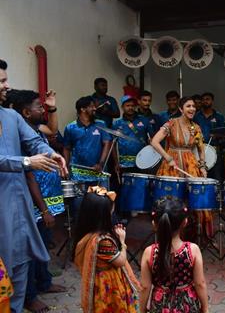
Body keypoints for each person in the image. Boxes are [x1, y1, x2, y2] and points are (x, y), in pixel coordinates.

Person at [0, 59, 67, 313]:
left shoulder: (10, 116)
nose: (7, 85)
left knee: (21, 262)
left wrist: (50, 154)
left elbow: (34, 141)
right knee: (4, 263)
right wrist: (27, 161)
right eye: (2, 81)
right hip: (3, 204)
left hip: (20, 204)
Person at [151, 96, 211, 242]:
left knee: (194, 200)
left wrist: (202, 166)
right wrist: (168, 158)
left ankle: (193, 236)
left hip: (190, 165)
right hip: (172, 165)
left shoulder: (196, 127)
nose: (192, 109)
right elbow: (154, 141)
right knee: (171, 201)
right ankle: (168, 236)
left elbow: (201, 149)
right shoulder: (171, 123)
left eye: (193, 106)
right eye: (188, 106)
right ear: (180, 109)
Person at [73, 186, 140, 312]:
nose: (112, 214)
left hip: (98, 282)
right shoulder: (103, 241)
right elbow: (120, 261)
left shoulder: (87, 233)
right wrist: (122, 241)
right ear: (103, 216)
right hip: (108, 286)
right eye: (111, 212)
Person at [140, 197, 208, 313]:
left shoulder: (149, 252)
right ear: (185, 222)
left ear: (155, 224)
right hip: (187, 304)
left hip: (160, 305)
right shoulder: (193, 250)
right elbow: (200, 283)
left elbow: (145, 287)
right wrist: (205, 308)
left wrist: (142, 310)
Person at [63, 97, 112, 186]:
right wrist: (66, 167)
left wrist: (101, 163)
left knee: (101, 199)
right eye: (91, 106)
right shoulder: (70, 127)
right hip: (78, 173)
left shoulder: (101, 124)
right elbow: (66, 148)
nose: (94, 108)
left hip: (98, 172)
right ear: (83, 109)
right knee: (79, 200)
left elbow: (107, 143)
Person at [113, 95, 152, 173]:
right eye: (127, 105)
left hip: (142, 162)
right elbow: (113, 145)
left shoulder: (144, 120)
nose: (130, 108)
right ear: (122, 107)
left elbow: (151, 140)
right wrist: (116, 163)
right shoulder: (117, 123)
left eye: (132, 106)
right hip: (124, 164)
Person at [193, 92, 225, 183]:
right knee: (199, 175)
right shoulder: (196, 116)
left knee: (216, 175)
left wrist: (217, 135)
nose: (205, 101)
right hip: (198, 149)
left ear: (212, 101)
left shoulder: (219, 116)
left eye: (207, 99)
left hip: (215, 149)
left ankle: (217, 195)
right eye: (203, 100)